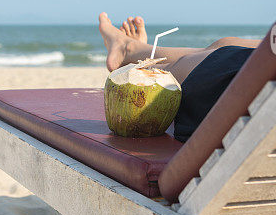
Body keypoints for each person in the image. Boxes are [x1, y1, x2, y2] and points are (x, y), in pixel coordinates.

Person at [98, 12, 260, 142]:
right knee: (227, 45)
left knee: (218, 61)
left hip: (236, 105)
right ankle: (132, 51)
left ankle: (131, 55)